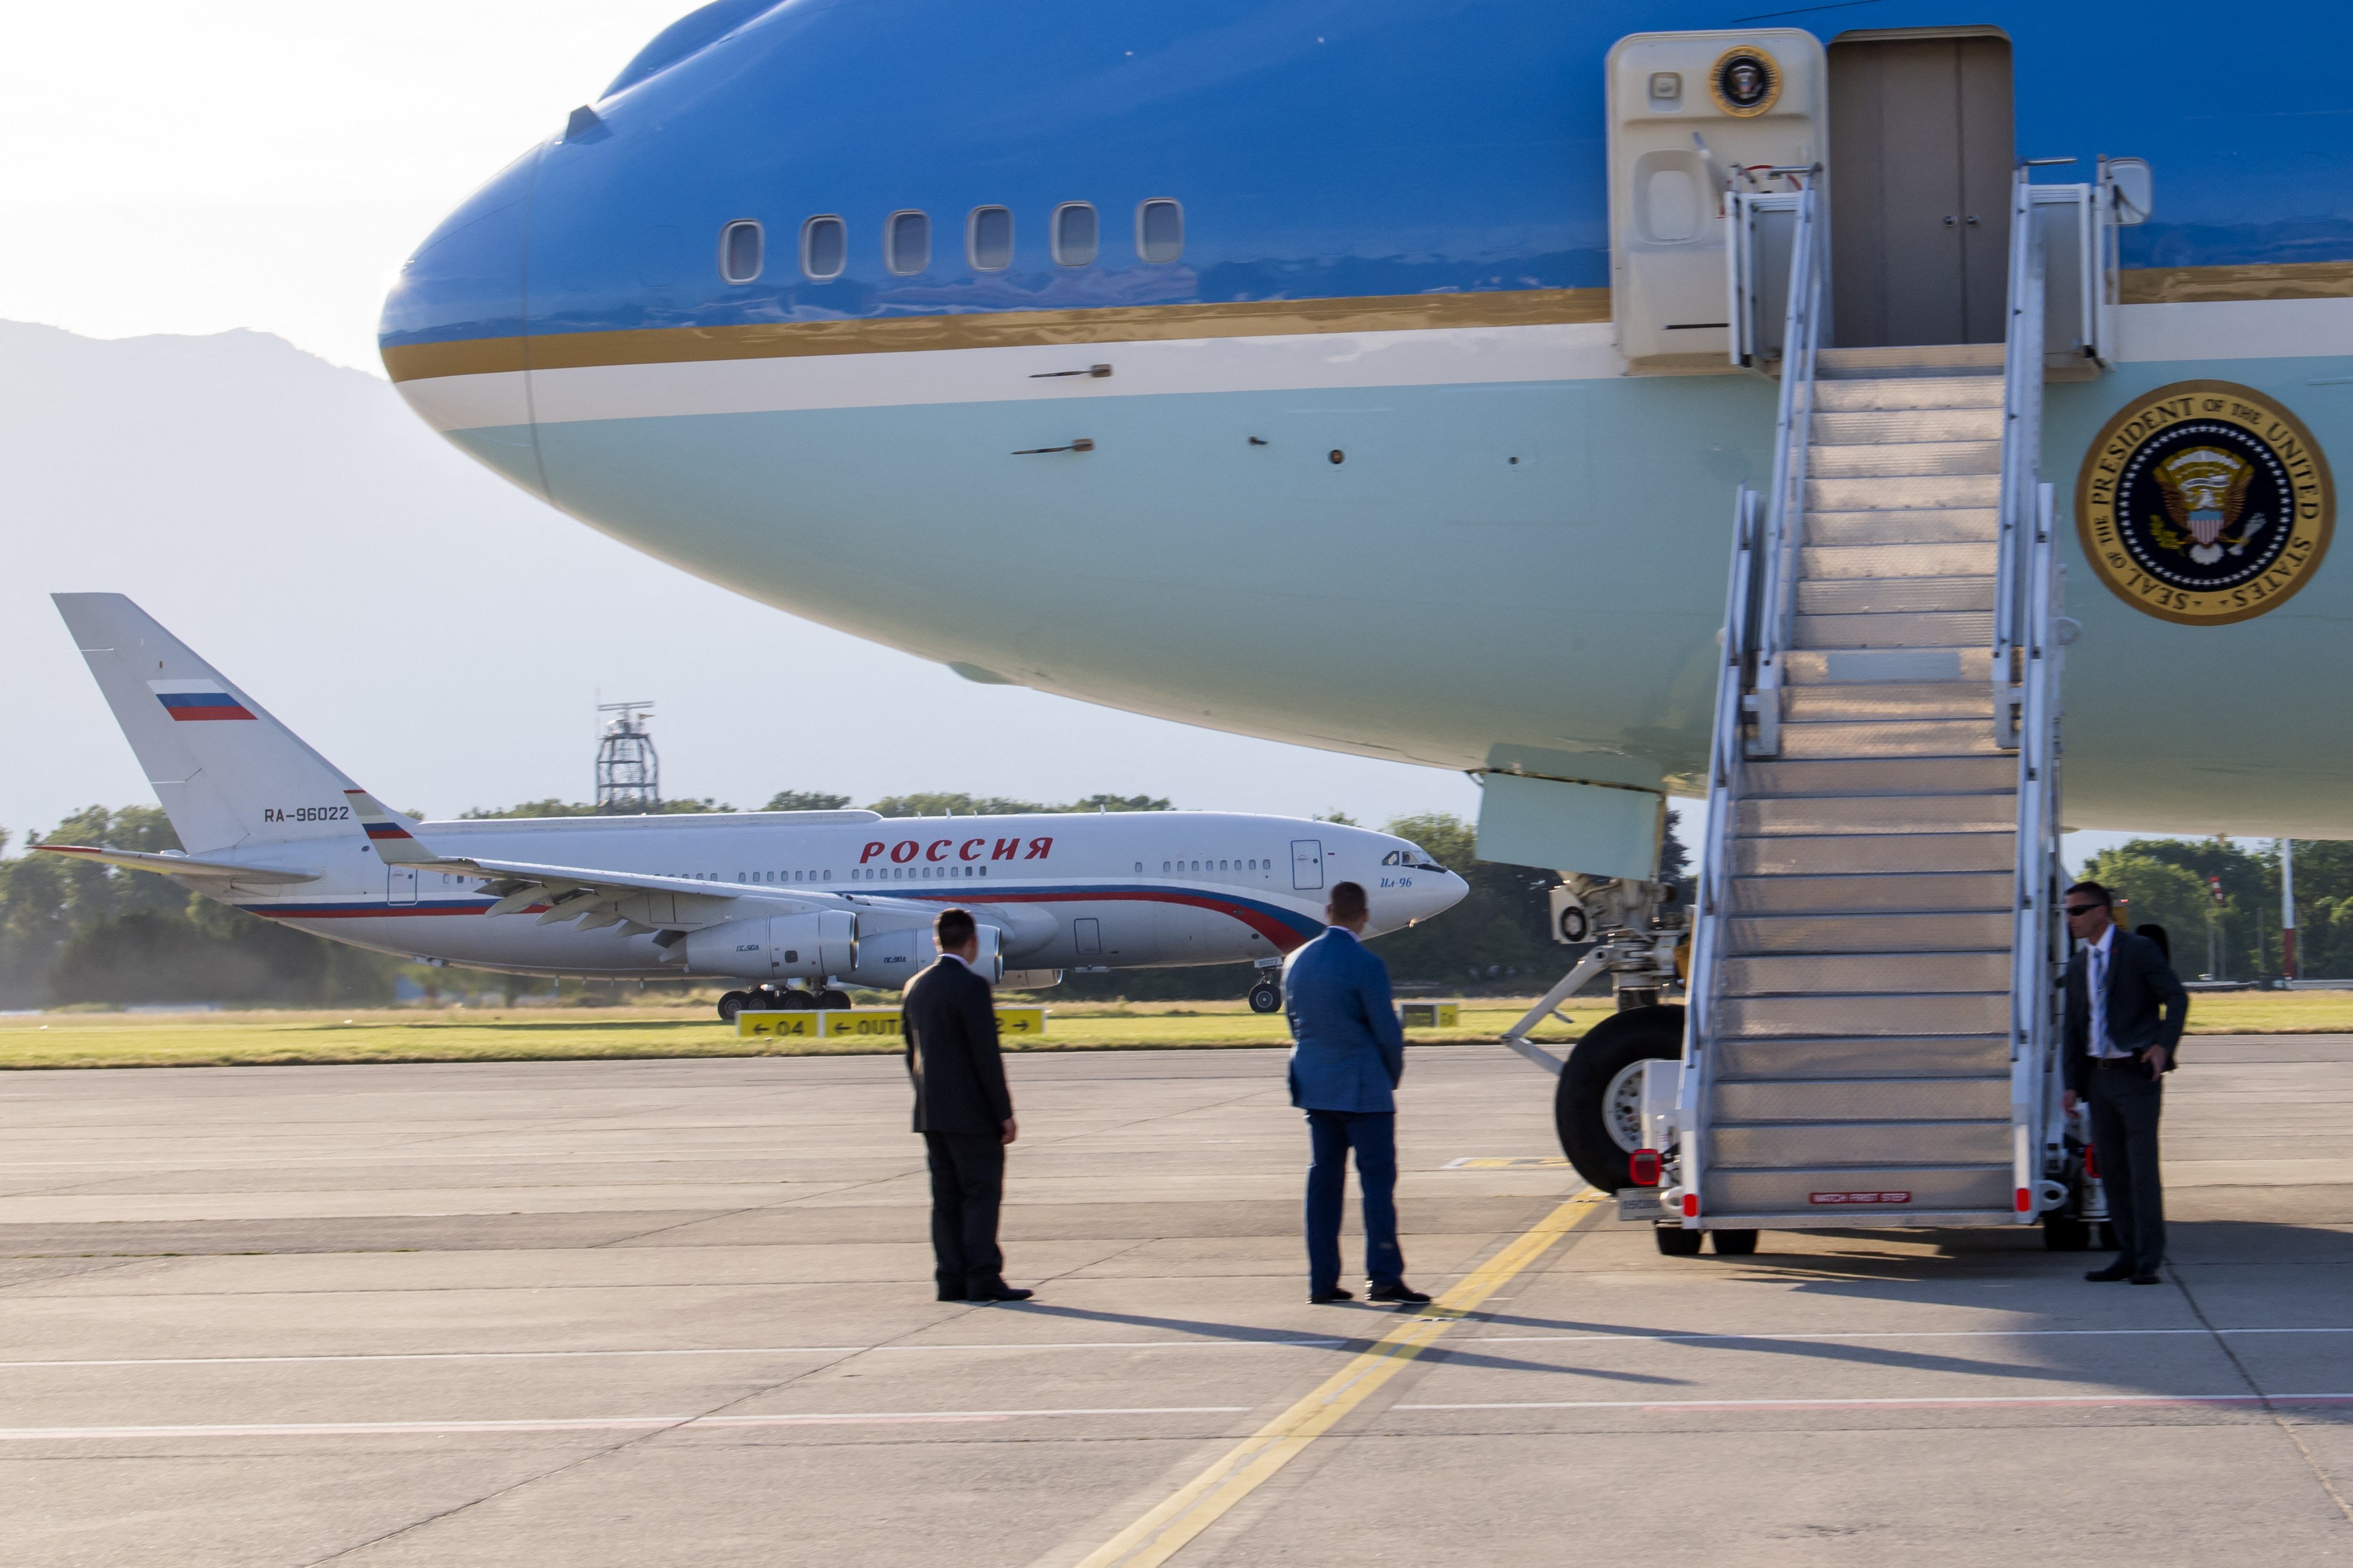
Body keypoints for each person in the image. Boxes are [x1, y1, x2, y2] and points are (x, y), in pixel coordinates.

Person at [1284, 880, 1429, 1306]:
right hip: (1364, 1089)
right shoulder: (1366, 964)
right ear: (1364, 916)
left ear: (1328, 911)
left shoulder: (1296, 961)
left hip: (1315, 1086)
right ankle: (1383, 1276)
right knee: (1377, 1185)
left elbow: (1295, 1023)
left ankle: (1322, 1280)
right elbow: (1387, 1034)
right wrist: (1390, 1077)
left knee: (1323, 1184)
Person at [2063, 881, 2189, 1285]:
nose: (2070, 919)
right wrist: (2071, 1084)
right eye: (2067, 912)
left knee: (2141, 1169)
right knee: (2112, 1170)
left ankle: (2149, 1258)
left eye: (2077, 911)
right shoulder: (2078, 965)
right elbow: (2073, 1029)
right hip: (2099, 1078)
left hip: (2136, 1075)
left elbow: (2177, 997)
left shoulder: (2138, 950)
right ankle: (2127, 1253)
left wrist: (2162, 1046)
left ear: (2101, 912)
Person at [903, 907, 1030, 1303]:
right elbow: (985, 1056)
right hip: (972, 1114)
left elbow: (911, 1054)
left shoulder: (914, 986)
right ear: (973, 942)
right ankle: (982, 1277)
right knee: (980, 1194)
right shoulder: (972, 986)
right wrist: (1004, 1113)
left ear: (936, 941)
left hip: (931, 1113)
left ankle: (950, 1279)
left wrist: (926, 1099)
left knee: (945, 1198)